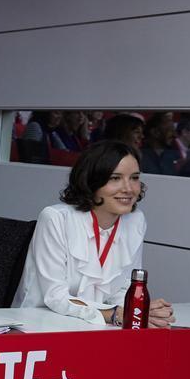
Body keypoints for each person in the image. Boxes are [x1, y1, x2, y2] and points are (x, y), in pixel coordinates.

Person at [14, 140, 175, 327]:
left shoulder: (135, 220)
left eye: (134, 178)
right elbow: (55, 296)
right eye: (115, 178)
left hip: (96, 324)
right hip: (39, 325)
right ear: (92, 181)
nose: (129, 188)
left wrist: (141, 310)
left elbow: (123, 289)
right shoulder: (56, 218)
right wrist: (116, 314)